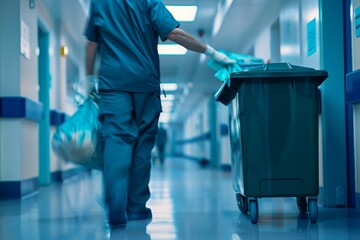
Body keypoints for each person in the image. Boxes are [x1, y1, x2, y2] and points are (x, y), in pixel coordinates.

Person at [84, 0, 235, 226]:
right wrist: (210, 51)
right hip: (146, 84)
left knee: (116, 138)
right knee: (142, 146)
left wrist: (89, 80)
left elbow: (92, 45)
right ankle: (135, 208)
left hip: (113, 85)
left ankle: (116, 202)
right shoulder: (149, 1)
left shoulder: (100, 3)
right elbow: (173, 33)